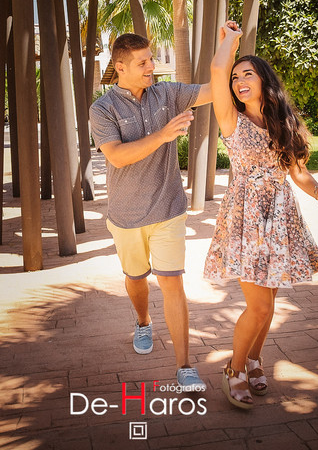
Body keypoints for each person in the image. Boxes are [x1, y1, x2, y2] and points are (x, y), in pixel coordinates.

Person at [203, 21, 318, 409]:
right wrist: (230, 40)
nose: (239, 81)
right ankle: (234, 368)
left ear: (264, 80)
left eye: (247, 74)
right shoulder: (232, 119)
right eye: (236, 77)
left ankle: (255, 360)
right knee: (259, 305)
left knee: (270, 300)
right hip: (247, 219)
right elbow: (217, 69)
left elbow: (298, 172)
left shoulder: (283, 123)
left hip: (280, 219)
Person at [89, 33, 212, 392]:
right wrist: (163, 134)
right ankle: (143, 321)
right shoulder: (103, 109)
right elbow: (116, 156)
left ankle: (185, 366)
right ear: (120, 67)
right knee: (136, 277)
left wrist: (228, 46)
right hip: (126, 215)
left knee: (172, 281)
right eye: (143, 62)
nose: (151, 67)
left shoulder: (167, 93)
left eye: (151, 59)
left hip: (168, 207)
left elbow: (213, 90)